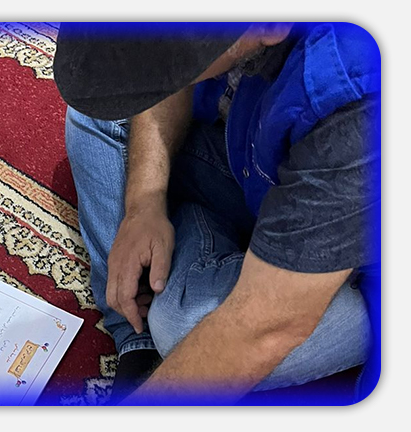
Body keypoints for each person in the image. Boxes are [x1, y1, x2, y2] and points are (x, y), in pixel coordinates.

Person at [54, 22, 380, 404]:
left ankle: (172, 278)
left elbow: (267, 326)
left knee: (182, 323)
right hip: (256, 162)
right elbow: (164, 75)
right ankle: (138, 340)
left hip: (356, 266)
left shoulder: (356, 98)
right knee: (105, 111)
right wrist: (144, 203)